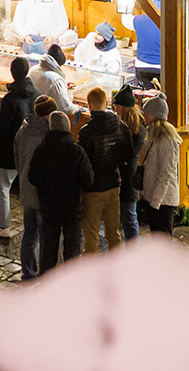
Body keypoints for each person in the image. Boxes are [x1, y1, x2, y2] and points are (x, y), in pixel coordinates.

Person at [26, 110, 92, 274]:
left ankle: (47, 287)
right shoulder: (77, 152)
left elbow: (32, 177)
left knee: (48, 252)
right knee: (71, 253)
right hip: (72, 210)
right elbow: (88, 180)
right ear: (68, 129)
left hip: (49, 209)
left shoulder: (41, 151)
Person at [76, 85, 133, 254]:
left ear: (90, 105)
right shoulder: (120, 125)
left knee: (91, 233)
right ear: (106, 102)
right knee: (113, 232)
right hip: (114, 184)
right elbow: (128, 155)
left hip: (94, 189)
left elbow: (83, 163)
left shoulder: (86, 132)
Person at [0, 56, 35, 240]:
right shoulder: (35, 93)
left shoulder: (10, 99)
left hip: (9, 151)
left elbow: (2, 130)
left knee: (2, 187)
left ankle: (3, 225)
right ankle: (30, 225)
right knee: (28, 189)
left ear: (12, 73)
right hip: (29, 149)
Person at [12, 95, 55, 278]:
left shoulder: (22, 130)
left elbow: (17, 159)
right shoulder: (49, 135)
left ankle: (28, 273)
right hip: (43, 194)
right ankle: (45, 275)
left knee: (29, 234)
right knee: (46, 237)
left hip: (26, 190)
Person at [138, 94, 182, 234]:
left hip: (163, 202)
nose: (144, 116)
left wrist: (155, 203)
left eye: (146, 113)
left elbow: (166, 173)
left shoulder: (166, 140)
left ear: (154, 115)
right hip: (154, 200)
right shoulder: (152, 134)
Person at [113, 86, 144, 241]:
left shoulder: (136, 129)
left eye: (117, 108)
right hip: (123, 175)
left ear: (124, 108)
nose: (115, 110)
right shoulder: (127, 124)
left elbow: (128, 155)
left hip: (129, 177)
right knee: (126, 215)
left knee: (129, 215)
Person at [29, 45, 76, 116]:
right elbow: (65, 108)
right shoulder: (56, 80)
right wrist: (77, 108)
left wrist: (64, 88)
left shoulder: (33, 70)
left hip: (31, 114)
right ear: (58, 65)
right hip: (46, 118)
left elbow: (45, 87)